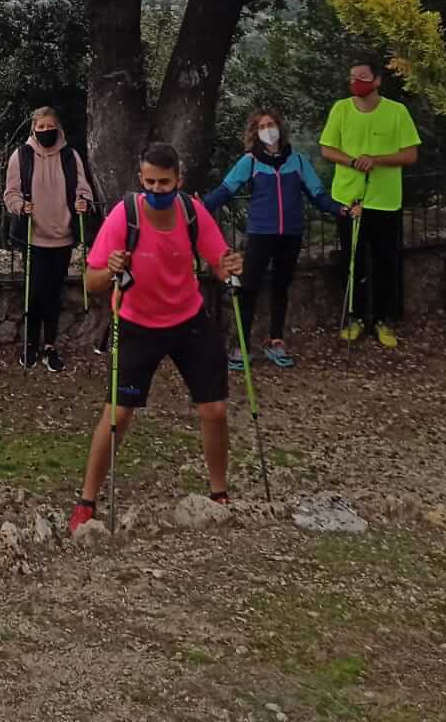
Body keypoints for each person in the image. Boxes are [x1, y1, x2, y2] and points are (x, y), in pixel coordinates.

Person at [69, 142, 245, 532]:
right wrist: (111, 268)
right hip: (136, 323)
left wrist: (229, 264)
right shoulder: (125, 215)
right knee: (118, 415)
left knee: (214, 410)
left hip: (188, 319)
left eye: (164, 182)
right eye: (149, 182)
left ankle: (219, 493)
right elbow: (91, 280)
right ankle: (86, 501)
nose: (157, 189)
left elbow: (220, 262)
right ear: (140, 179)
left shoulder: (190, 211)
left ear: (178, 180)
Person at [201, 107, 336, 369]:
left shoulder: (297, 161)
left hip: (291, 234)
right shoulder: (250, 162)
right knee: (248, 287)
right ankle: (240, 346)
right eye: (262, 127)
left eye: (271, 125)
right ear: (255, 133)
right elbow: (225, 191)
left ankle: (276, 341)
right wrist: (199, 206)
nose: (267, 130)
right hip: (261, 233)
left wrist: (341, 210)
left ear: (280, 128)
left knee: (281, 288)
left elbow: (318, 195)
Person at [319, 60, 421, 348]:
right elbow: (327, 148)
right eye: (352, 78)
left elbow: (410, 154)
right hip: (348, 197)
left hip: (386, 201)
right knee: (352, 260)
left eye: (362, 78)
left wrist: (376, 160)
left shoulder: (397, 112)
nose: (356, 83)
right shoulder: (340, 109)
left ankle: (385, 319)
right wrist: (353, 161)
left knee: (386, 261)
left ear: (377, 81)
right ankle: (356, 317)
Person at [1, 105, 95, 371]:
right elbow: (11, 193)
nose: (45, 131)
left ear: (59, 127)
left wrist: (83, 202)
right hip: (34, 237)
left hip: (63, 237)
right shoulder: (21, 156)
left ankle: (50, 346)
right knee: (34, 293)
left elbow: (83, 188)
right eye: (40, 127)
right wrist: (21, 206)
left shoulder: (70, 155)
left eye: (49, 126)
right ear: (34, 129)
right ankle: (30, 344)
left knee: (54, 294)